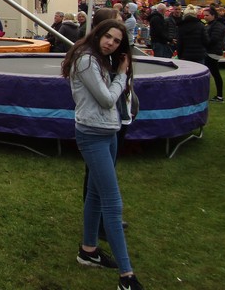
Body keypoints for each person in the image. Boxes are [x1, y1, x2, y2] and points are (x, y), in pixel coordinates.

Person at [61, 19, 144, 290]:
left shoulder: (99, 59)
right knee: (112, 202)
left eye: (116, 41)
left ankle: (88, 250)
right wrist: (121, 74)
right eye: (107, 37)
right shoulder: (86, 60)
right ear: (98, 34)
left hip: (108, 132)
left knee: (96, 196)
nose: (110, 43)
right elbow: (107, 99)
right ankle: (126, 276)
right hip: (93, 134)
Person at [203, 6, 225, 102]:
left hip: (212, 52)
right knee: (214, 73)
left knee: (215, 73)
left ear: (213, 15)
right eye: (204, 15)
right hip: (211, 51)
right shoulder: (213, 24)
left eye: (207, 15)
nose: (205, 17)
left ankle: (219, 96)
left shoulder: (217, 25)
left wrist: (204, 41)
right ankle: (219, 95)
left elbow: (214, 39)